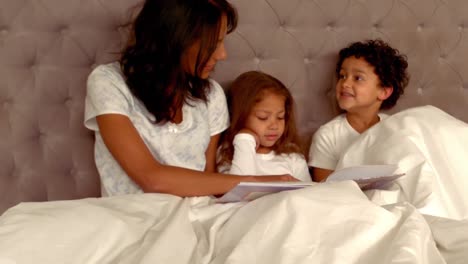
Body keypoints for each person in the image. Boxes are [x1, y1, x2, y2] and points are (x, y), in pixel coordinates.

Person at [84, 0, 296, 197]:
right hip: (135, 218)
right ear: (177, 39)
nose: (222, 54)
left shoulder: (211, 95)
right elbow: (151, 178)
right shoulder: (109, 82)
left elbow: (209, 179)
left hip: (197, 214)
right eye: (214, 44)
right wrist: (253, 182)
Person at [308, 39, 410, 182]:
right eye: (342, 76)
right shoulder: (328, 135)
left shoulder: (394, 127)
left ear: (384, 92)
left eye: (358, 78)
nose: (345, 83)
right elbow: (323, 189)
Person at [218, 71, 312, 182]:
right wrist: (244, 139)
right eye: (263, 117)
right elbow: (239, 188)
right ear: (240, 116)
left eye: (280, 117)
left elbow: (308, 194)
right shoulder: (227, 154)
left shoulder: (292, 156)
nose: (274, 126)